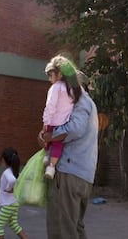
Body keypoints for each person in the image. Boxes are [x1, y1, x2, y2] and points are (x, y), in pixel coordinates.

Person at [38, 56, 98, 239]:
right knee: (75, 228)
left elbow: (75, 129)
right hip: (84, 175)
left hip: (69, 173)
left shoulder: (81, 102)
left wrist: (50, 135)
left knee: (61, 228)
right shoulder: (90, 106)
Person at [42, 55, 82, 179]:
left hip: (52, 121)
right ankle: (52, 167)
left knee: (47, 139)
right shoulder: (73, 90)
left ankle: (46, 157)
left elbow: (50, 106)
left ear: (59, 74)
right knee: (58, 145)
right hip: (64, 124)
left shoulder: (56, 88)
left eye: (50, 75)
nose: (49, 79)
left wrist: (45, 122)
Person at [0, 147, 28, 239]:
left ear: (4, 160)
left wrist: (9, 188)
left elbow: (12, 180)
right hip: (14, 203)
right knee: (14, 224)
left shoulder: (7, 172)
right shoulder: (14, 171)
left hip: (8, 204)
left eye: (1, 158)